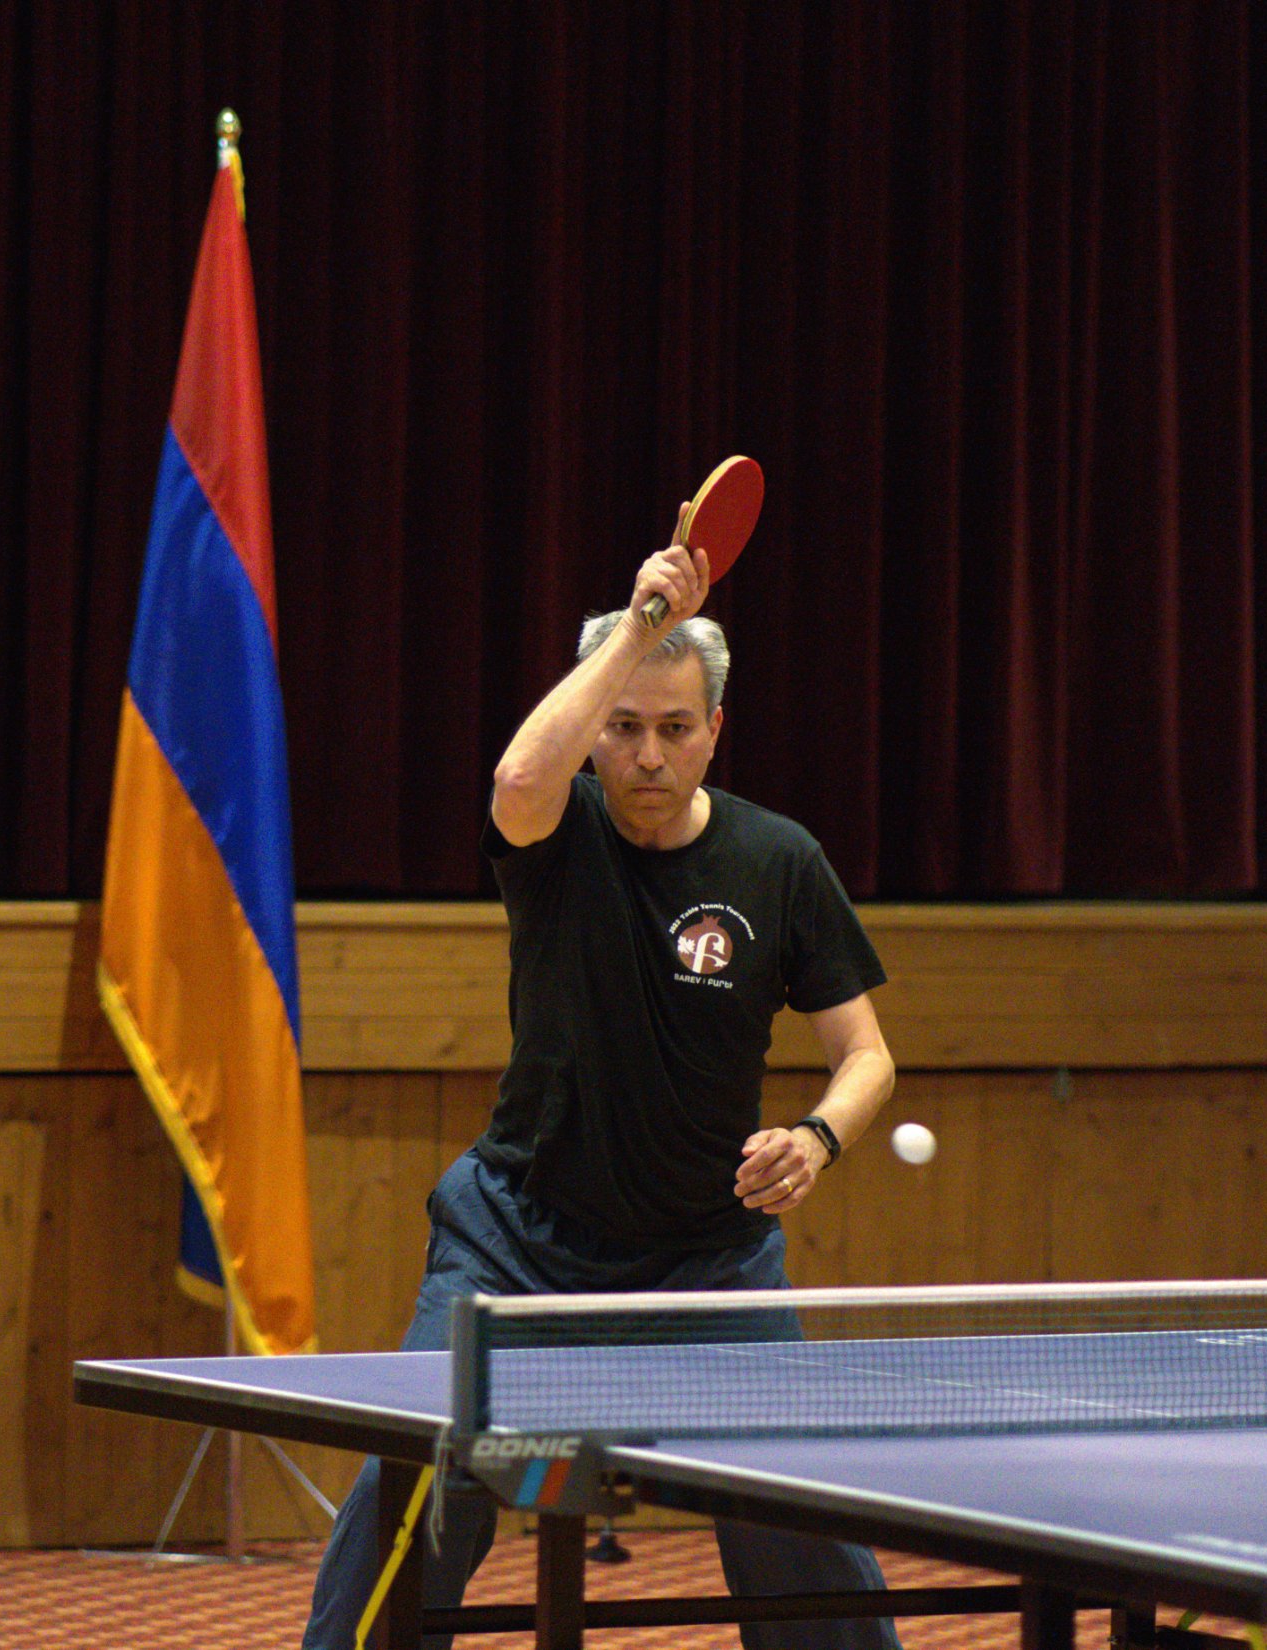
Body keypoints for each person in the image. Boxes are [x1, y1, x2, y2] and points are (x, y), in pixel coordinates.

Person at [303, 539, 900, 1650]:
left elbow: (864, 1054)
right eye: (622, 727)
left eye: (674, 728)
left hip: (706, 1259)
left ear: (714, 731)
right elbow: (518, 782)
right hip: (516, 1245)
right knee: (425, 1480)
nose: (645, 756)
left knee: (802, 1511)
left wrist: (818, 1138)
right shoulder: (555, 831)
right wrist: (636, 622)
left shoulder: (778, 860)